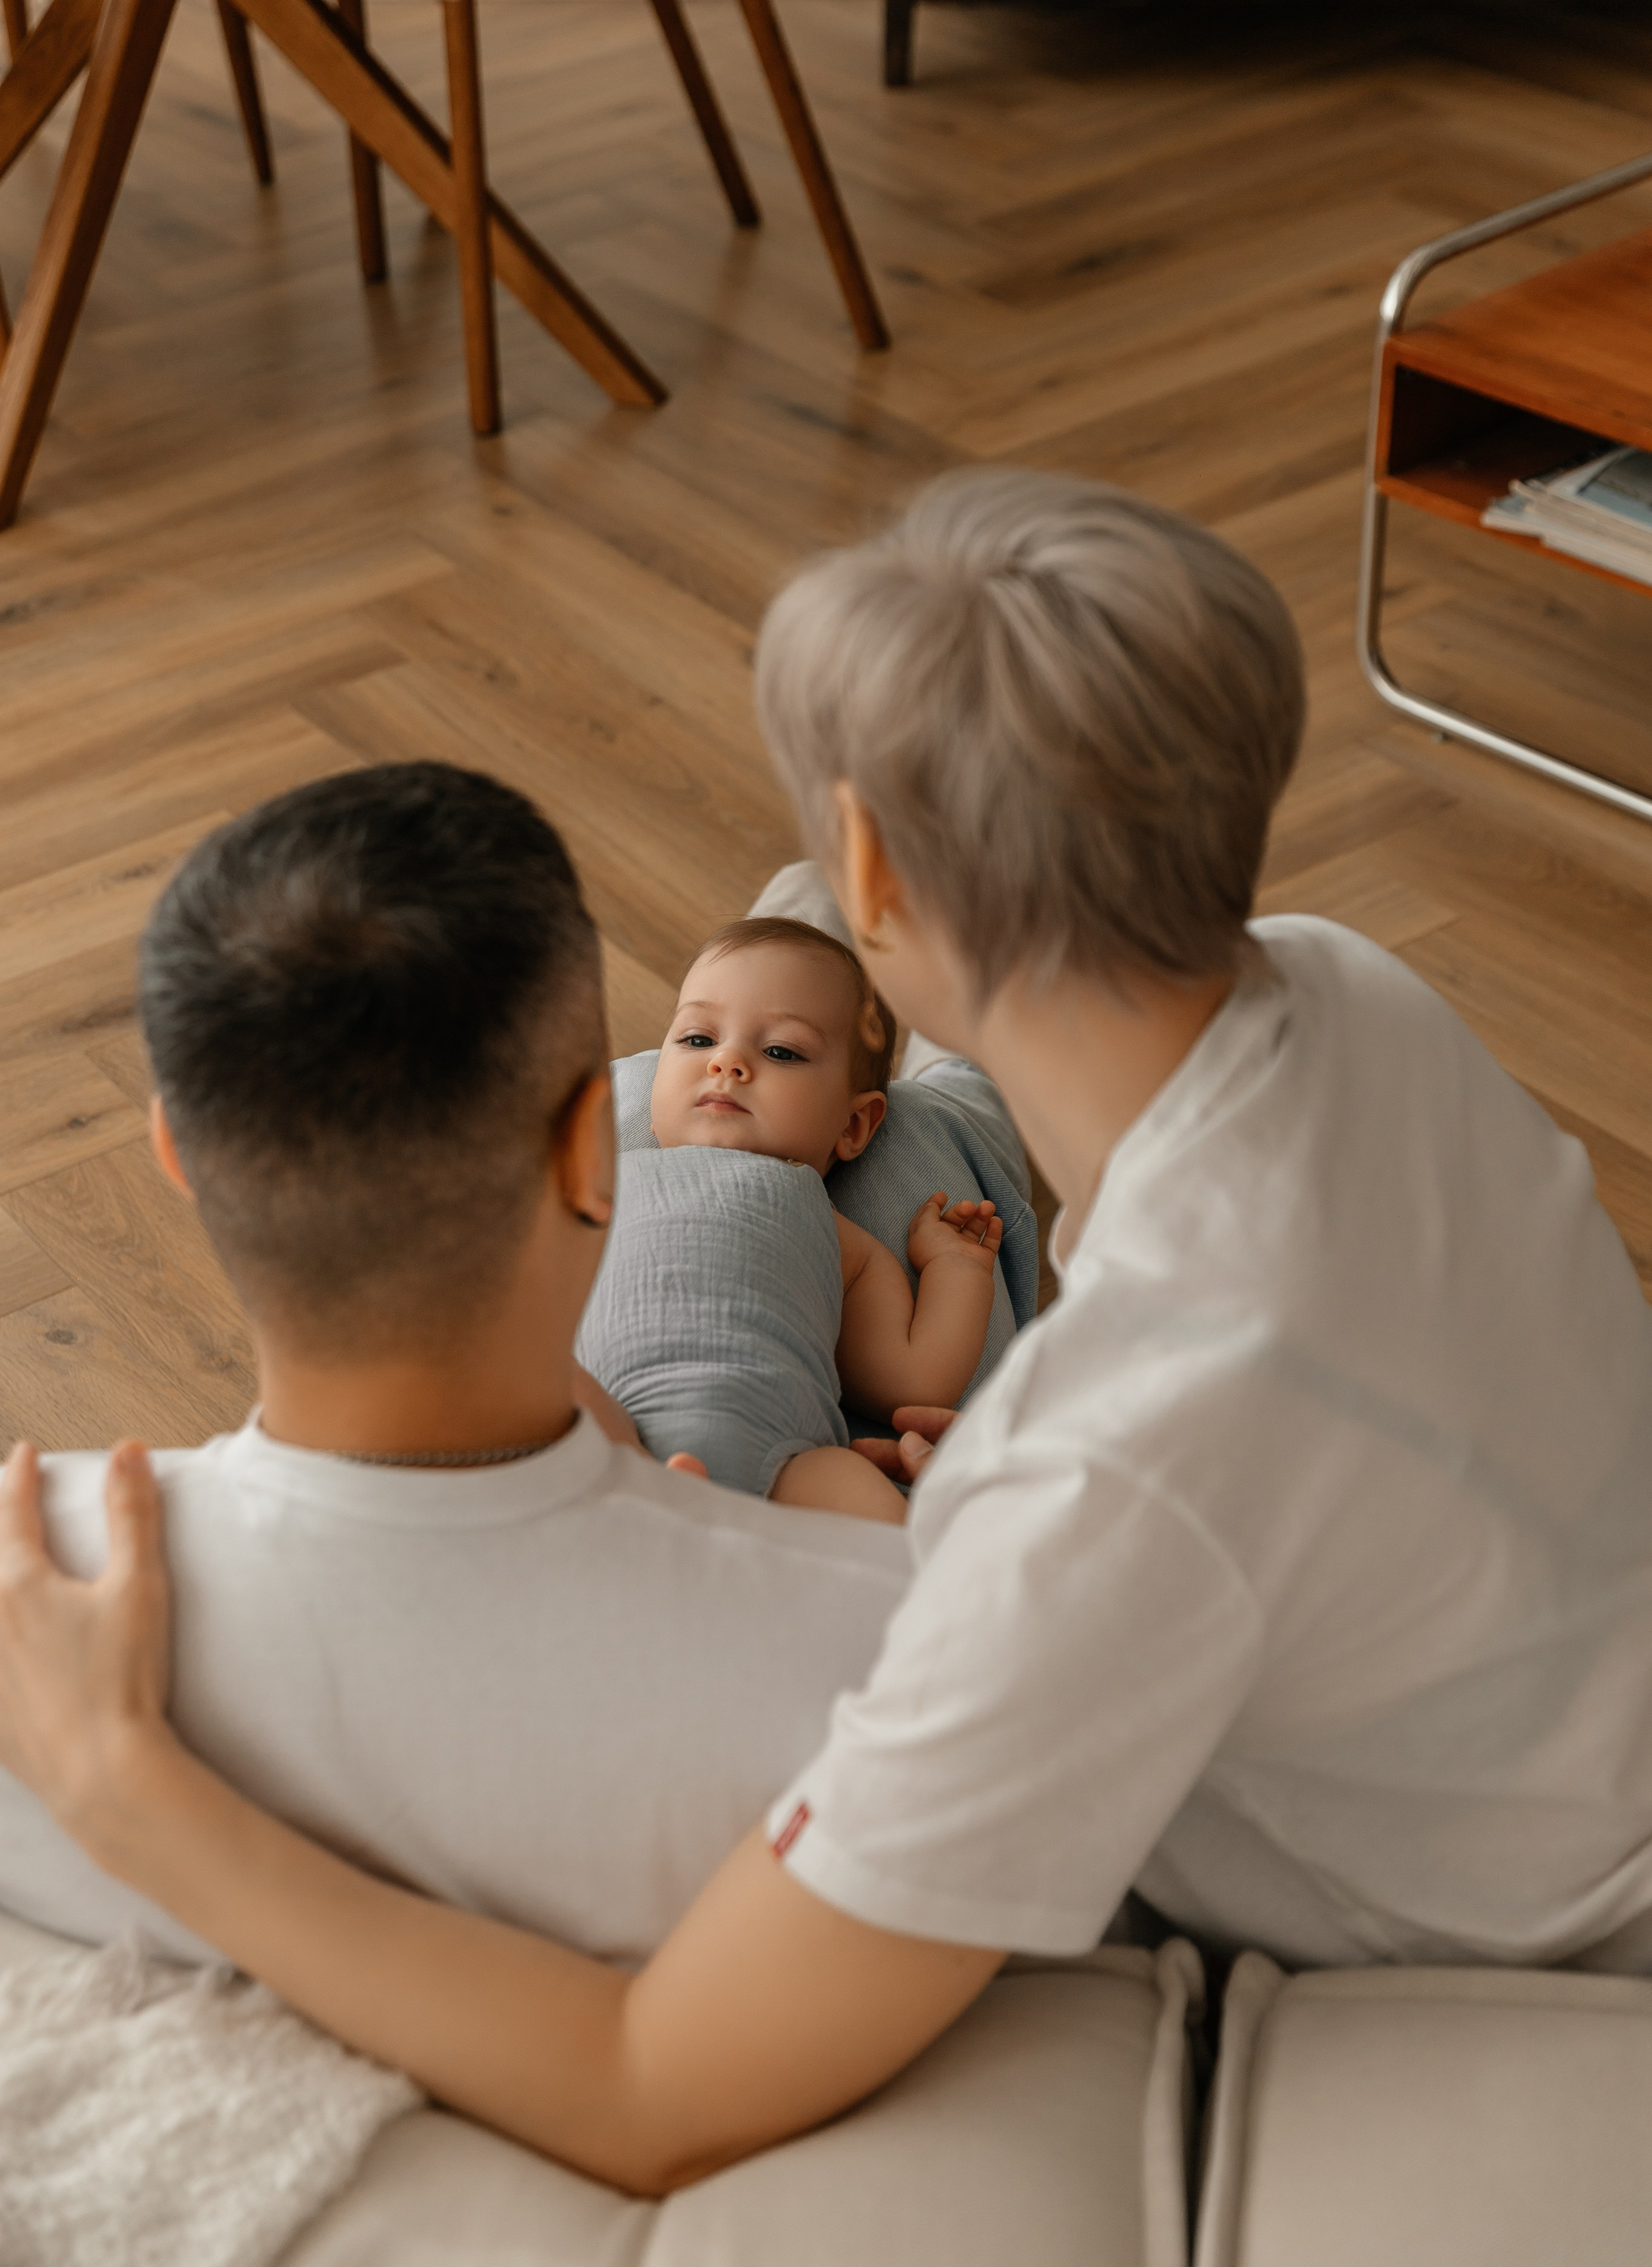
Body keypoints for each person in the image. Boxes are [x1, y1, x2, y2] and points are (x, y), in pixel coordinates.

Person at [6, 467, 1652, 2200]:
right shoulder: (1350, 986)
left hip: (1547, 1930)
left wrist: (132, 1795)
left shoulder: (1105, 1481)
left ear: (867, 865)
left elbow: (656, 2089)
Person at [0, 762, 912, 1957]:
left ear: (177, 1152)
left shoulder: (37, 1599)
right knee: (833, 929)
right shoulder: (879, 1638)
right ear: (601, 1149)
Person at [578, 915, 1003, 1501]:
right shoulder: (603, 1179)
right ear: (649, 1098)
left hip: (777, 1470)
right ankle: (956, 1057)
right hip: (596, 1445)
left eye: (781, 1050)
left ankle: (956, 1045)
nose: (725, 1063)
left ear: (853, 1126)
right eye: (698, 1039)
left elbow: (914, 1382)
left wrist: (957, 1270)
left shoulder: (835, 1235)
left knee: (861, 1492)